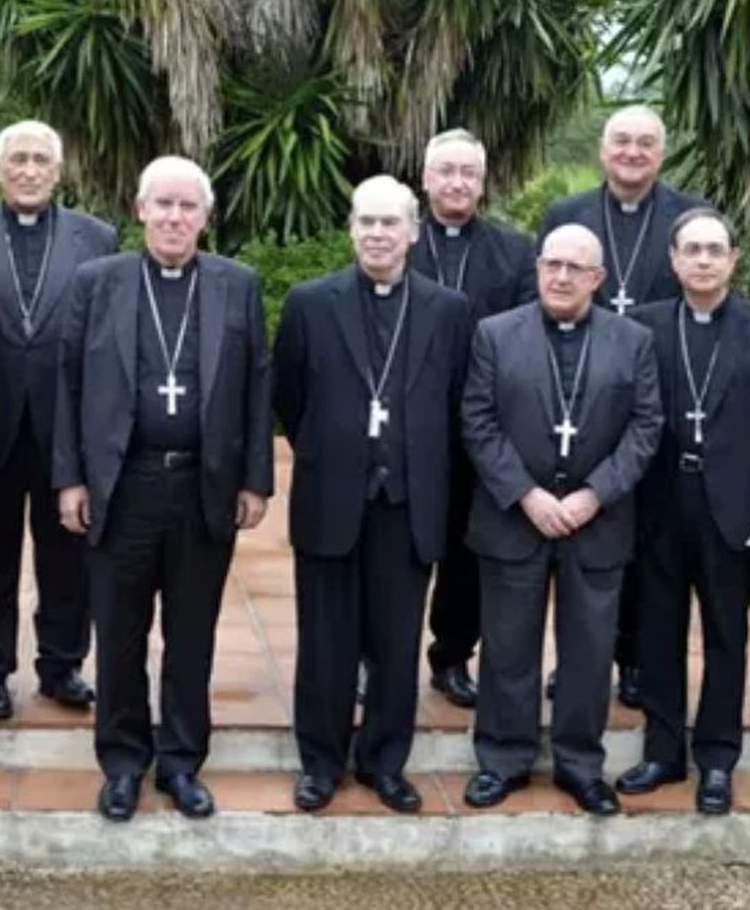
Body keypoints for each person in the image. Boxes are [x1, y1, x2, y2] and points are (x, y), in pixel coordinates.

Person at [53, 156, 274, 822]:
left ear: (205, 217)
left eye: (188, 206)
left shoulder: (237, 284)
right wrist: (70, 477)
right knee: (119, 631)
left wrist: (255, 479)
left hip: (203, 485)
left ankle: (181, 760)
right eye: (164, 204)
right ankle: (123, 763)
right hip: (123, 485)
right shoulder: (98, 282)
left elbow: (256, 385)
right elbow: (67, 383)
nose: (175, 217)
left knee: (191, 631)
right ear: (140, 210)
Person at [274, 175, 473, 813]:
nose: (379, 234)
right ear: (351, 229)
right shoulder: (310, 303)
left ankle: (385, 763)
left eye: (391, 223)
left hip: (408, 504)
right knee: (324, 642)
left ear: (414, 231)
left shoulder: (449, 310)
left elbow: (456, 403)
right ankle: (321, 763)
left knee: (395, 643)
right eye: (367, 222)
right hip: (331, 497)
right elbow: (289, 397)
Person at [459, 224, 662, 817]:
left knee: (589, 651)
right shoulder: (495, 334)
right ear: (539, 268)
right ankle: (502, 760)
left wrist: (595, 494)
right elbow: (477, 420)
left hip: (596, 522)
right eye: (552, 264)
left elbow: (646, 425)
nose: (562, 276)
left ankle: (580, 766)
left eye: (576, 268)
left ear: (598, 278)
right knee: (507, 648)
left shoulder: (633, 340)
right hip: (514, 518)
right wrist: (526, 494)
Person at [614, 208, 750, 814]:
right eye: (691, 249)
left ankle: (718, 758)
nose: (703, 260)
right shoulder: (644, 325)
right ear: (673, 260)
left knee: (727, 635)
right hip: (661, 505)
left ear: (733, 260)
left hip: (734, 510)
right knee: (657, 634)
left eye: (714, 250)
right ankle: (663, 751)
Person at [0, 120, 116, 720]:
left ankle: (62, 664)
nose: (29, 170)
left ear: (58, 172)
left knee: (68, 553)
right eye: (17, 159)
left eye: (41, 160)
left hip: (64, 423)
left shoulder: (97, 238)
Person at [539, 104, 706, 708]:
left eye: (645, 143)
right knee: (577, 544)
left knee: (644, 545)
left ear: (661, 153)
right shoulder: (567, 215)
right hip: (580, 394)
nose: (632, 152)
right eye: (621, 141)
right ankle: (576, 662)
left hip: (657, 393)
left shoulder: (688, 215)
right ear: (603, 149)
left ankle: (634, 658)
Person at [410, 128, 537, 708]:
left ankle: (453, 656)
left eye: (469, 173)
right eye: (447, 171)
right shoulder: (400, 239)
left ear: (483, 184)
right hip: (410, 431)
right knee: (396, 553)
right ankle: (375, 657)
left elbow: (524, 337)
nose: (458, 183)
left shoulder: (514, 251)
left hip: (481, 430)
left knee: (468, 553)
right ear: (426, 178)